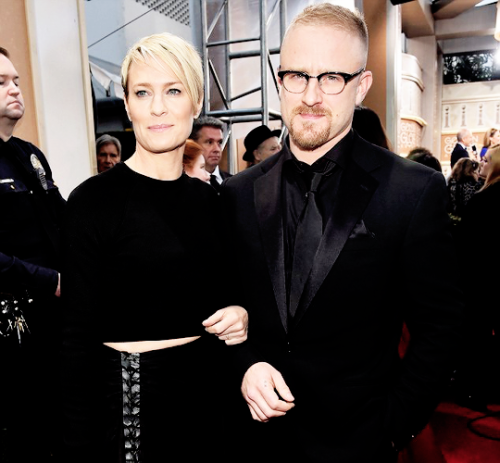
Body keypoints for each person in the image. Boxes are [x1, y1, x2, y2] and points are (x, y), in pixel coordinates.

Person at [220, 4, 463, 462]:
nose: (311, 95)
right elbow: (229, 308)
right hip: (254, 443)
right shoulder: (239, 192)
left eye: (331, 78)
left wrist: (391, 427)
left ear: (361, 86)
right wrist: (246, 364)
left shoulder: (411, 191)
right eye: (297, 76)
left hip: (359, 443)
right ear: (279, 81)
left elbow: (441, 328)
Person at [61, 33, 248, 463]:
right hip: (130, 411)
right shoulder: (92, 203)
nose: (158, 107)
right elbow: (74, 344)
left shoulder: (215, 202)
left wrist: (241, 312)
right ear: (127, 105)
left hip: (211, 400)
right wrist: (77, 448)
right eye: (143, 92)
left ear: (196, 101)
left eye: (174, 90)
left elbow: (233, 292)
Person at [0, 46, 66, 462]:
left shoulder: (29, 154)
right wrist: (49, 281)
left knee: (55, 428)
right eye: (2, 83)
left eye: (17, 81)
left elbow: (65, 222)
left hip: (53, 322)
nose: (15, 90)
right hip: (9, 329)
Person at [454, 144, 500, 409]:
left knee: (476, 339)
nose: (480, 164)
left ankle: (475, 393)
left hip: (481, 281)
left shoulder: (484, 201)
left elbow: (466, 245)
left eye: (486, 161)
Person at [189, 115, 231, 190]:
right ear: (194, 144)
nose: (217, 149)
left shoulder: (233, 182)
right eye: (209, 142)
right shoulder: (184, 185)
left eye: (219, 142)